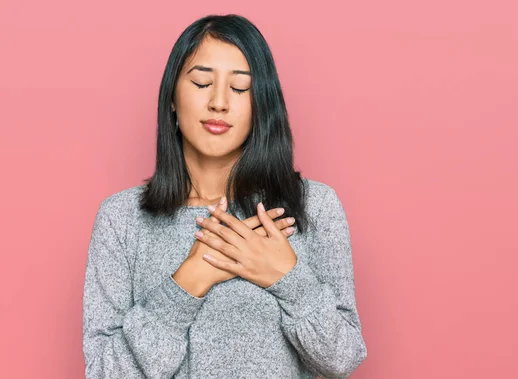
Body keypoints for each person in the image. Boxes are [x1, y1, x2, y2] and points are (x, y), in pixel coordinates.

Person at [82, 14, 367, 378]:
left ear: (260, 105)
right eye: (202, 82)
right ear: (171, 97)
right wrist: (187, 281)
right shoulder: (121, 218)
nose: (219, 102)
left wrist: (287, 277)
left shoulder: (312, 206)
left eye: (240, 88)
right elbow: (105, 374)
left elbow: (342, 359)